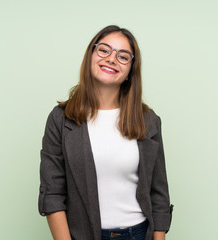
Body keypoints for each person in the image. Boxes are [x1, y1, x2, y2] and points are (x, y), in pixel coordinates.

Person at [38, 25, 173, 240]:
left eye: (123, 56)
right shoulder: (61, 119)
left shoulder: (148, 120)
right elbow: (53, 193)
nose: (111, 59)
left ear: (131, 70)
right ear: (91, 55)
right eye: (104, 50)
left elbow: (159, 195)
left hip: (138, 234)